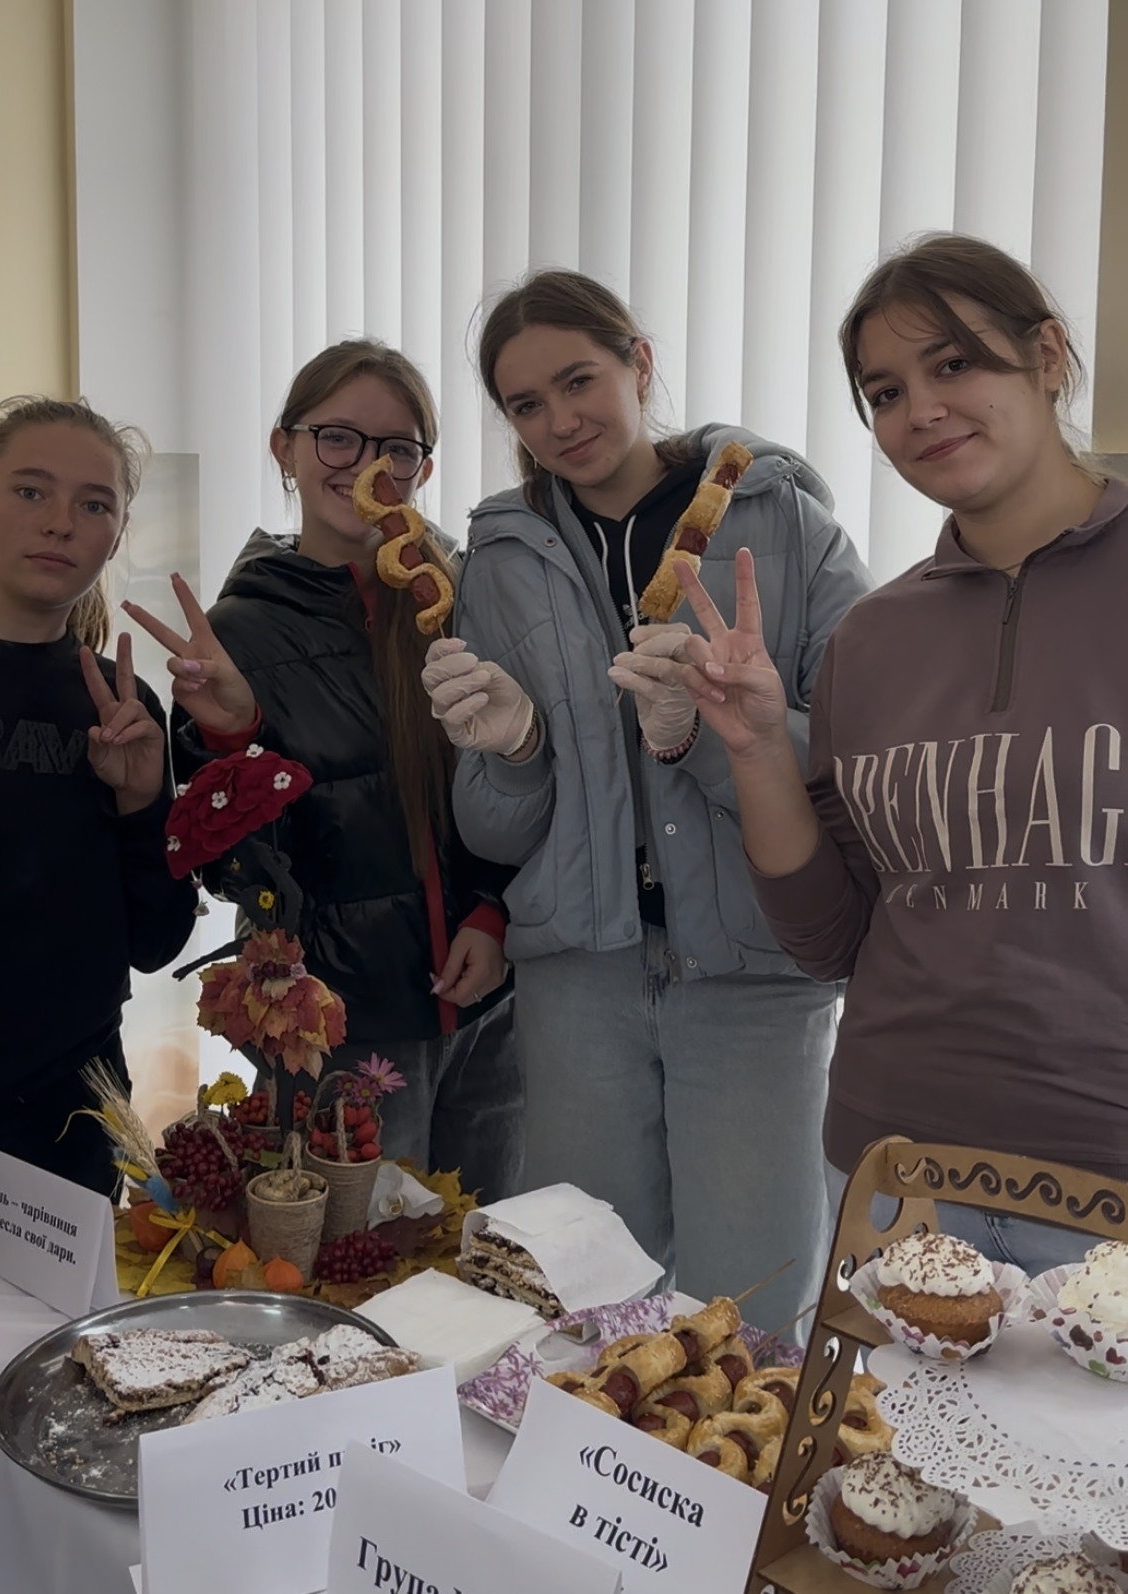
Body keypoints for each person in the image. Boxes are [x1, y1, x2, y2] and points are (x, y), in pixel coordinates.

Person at [420, 269, 871, 1330]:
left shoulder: (783, 523)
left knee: (747, 1310)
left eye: (579, 381)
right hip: (577, 976)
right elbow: (495, 829)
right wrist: (516, 749)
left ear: (640, 364)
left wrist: (712, 737)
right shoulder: (499, 557)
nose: (559, 422)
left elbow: (855, 774)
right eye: (526, 404)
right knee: (581, 1303)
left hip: (751, 972)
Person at [674, 232, 1126, 1273]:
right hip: (895, 1175)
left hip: (1107, 1181)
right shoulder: (871, 640)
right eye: (883, 391)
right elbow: (831, 938)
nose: (918, 409)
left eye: (952, 363)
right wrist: (756, 746)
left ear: (1047, 355)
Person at [125, 341, 522, 1201]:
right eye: (337, 437)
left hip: (492, 999)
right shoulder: (238, 631)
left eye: (397, 448)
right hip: (340, 1024)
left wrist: (493, 912)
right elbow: (228, 868)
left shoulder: (460, 601)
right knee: (364, 1255)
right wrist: (232, 735)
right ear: (285, 448)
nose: (366, 467)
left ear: (422, 468)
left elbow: (515, 779)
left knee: (489, 1248)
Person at [0, 397, 197, 1196]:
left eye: (94, 505)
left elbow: (157, 942)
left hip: (65, 1123)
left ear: (115, 536)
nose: (60, 523)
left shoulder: (124, 711)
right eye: (30, 491)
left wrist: (142, 806)